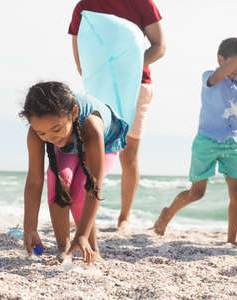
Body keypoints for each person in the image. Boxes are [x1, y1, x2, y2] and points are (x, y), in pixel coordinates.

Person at [68, 0, 166, 231]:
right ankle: (85, 212)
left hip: (136, 86)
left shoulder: (142, 3)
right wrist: (106, 71)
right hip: (99, 88)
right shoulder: (84, 7)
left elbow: (159, 46)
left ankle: (124, 217)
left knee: (128, 155)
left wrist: (126, 66)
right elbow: (81, 57)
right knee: (93, 150)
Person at [153, 38, 237, 246]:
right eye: (236, 62)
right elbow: (218, 76)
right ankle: (167, 213)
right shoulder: (210, 77)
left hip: (233, 142)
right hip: (207, 140)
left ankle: (232, 239)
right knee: (197, 193)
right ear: (221, 59)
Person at [19, 81, 128, 265]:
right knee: (58, 180)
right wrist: (30, 227)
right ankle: (64, 246)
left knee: (79, 192)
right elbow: (34, 182)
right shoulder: (39, 133)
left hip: (103, 142)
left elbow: (94, 186)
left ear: (74, 112)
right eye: (42, 133)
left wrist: (83, 234)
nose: (50, 138)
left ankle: (92, 248)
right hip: (69, 141)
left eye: (55, 129)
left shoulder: (92, 126)